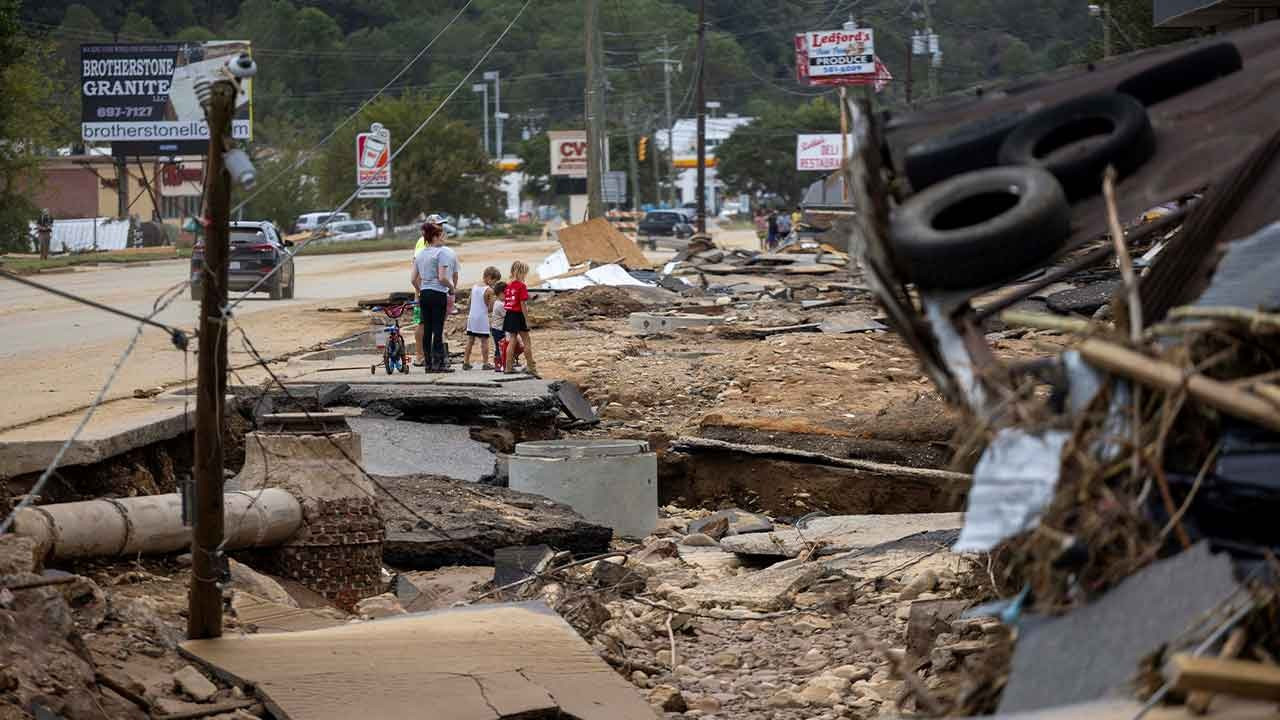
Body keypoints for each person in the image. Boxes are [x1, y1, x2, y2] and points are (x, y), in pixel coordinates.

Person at [410, 221, 459, 372]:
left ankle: (428, 364)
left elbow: (412, 279)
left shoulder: (420, 254)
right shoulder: (441, 253)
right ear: (435, 237)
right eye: (441, 235)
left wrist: (420, 290)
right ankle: (439, 363)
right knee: (438, 329)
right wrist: (451, 289)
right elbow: (442, 277)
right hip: (438, 293)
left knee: (427, 329)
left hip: (424, 293)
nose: (443, 238)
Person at [501, 261, 536, 376]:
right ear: (521, 273)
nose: (525, 276)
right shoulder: (521, 286)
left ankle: (508, 367)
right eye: (525, 273)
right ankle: (531, 367)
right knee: (527, 341)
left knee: (512, 340)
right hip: (519, 315)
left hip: (509, 314)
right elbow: (523, 304)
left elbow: (507, 301)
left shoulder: (508, 286)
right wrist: (527, 320)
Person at [463, 266, 501, 370]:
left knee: (470, 340)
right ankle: (485, 362)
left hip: (472, 317)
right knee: (484, 341)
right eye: (494, 281)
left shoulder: (474, 286)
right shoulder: (489, 290)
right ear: (489, 277)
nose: (494, 284)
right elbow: (490, 307)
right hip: (481, 318)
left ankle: (465, 361)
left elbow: (469, 302)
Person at [489, 280, 508, 370]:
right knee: (500, 347)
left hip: (498, 328)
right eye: (505, 293)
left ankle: (503, 362)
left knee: (501, 346)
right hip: (498, 329)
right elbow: (507, 315)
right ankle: (498, 364)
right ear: (500, 293)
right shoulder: (500, 305)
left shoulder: (499, 302)